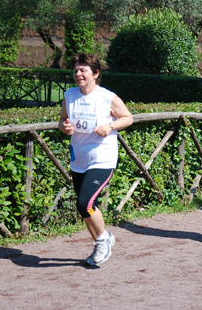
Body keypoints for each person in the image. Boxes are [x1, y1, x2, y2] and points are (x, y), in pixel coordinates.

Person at [58, 52, 133, 266]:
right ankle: (101, 242)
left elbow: (128, 118)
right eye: (75, 70)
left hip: (102, 158)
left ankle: (102, 240)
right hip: (79, 158)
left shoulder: (106, 97)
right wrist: (65, 127)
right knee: (85, 207)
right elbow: (62, 121)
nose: (78, 74)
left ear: (95, 73)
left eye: (83, 70)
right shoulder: (69, 95)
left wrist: (110, 125)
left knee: (85, 202)